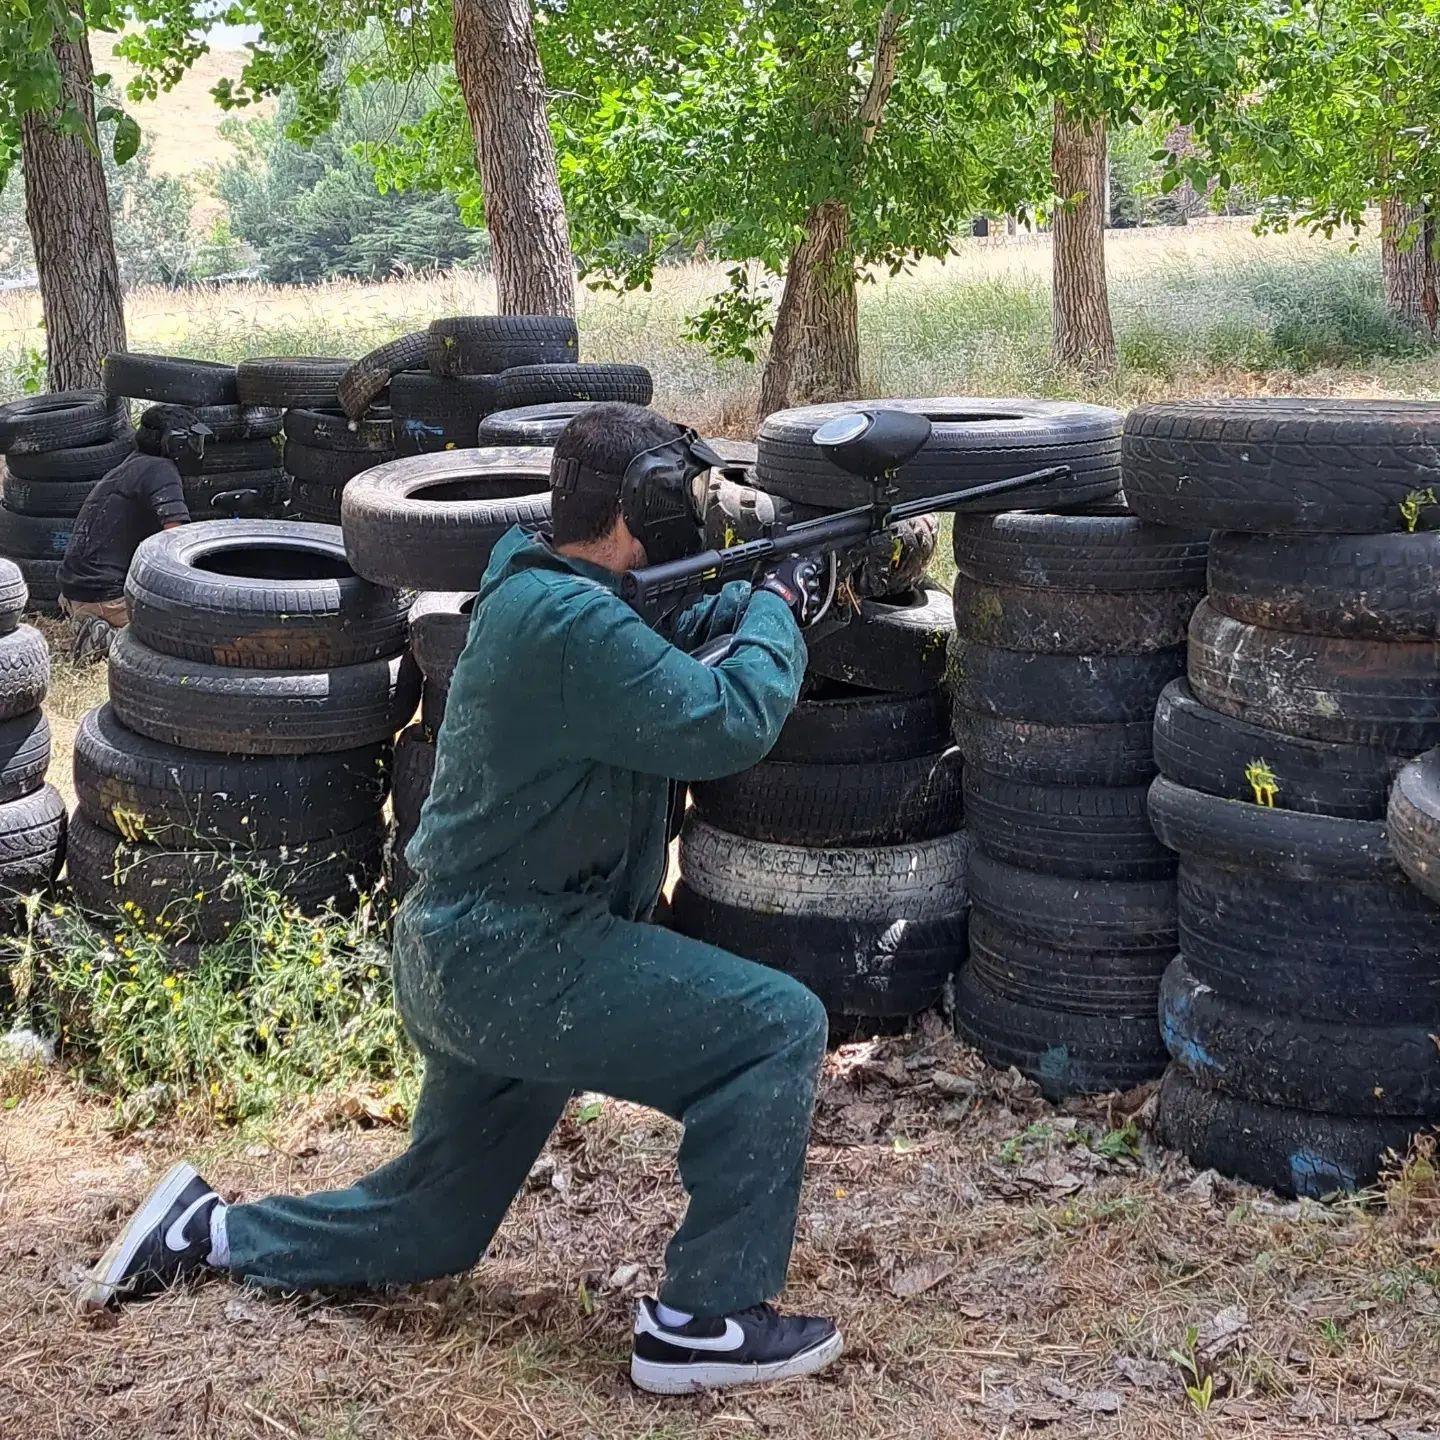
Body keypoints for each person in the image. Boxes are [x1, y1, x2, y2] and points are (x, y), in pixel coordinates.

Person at [79, 403, 845, 1395]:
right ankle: (706, 1321)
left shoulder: (558, 597)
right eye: (681, 496)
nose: (692, 513)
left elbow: (677, 630)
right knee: (776, 1029)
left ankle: (205, 1232)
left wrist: (781, 586)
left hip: (473, 957)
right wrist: (777, 605)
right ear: (640, 506)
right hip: (518, 955)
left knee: (431, 1225)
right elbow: (725, 716)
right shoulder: (565, 622)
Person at [57, 410, 200, 658]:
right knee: (200, 627)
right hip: (109, 596)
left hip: (76, 593)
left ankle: (92, 622)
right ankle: (109, 636)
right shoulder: (161, 469)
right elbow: (176, 537)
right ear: (176, 443)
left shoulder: (128, 466)